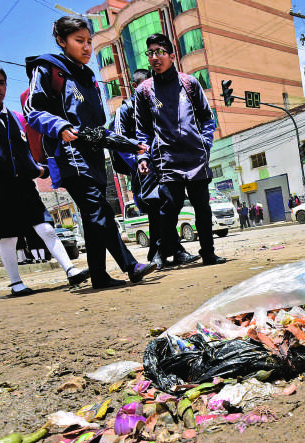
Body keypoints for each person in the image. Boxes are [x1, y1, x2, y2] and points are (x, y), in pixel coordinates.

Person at [24, 16, 155, 288]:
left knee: (93, 217)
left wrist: (131, 144)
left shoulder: (88, 77)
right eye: (79, 41)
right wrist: (59, 125)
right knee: (101, 212)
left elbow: (98, 129)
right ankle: (130, 266)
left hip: (93, 157)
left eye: (88, 41)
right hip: (69, 157)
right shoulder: (49, 68)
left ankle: (99, 276)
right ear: (62, 41)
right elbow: (33, 111)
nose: (86, 47)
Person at [0, 59, 89, 296]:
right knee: (8, 235)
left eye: (2, 82)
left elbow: (24, 155)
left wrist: (38, 169)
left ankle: (71, 270)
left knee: (46, 226)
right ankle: (15, 283)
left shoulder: (15, 117)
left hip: (23, 183)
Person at [135, 33, 226, 265]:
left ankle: (209, 254)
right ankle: (163, 252)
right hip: (167, 162)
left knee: (202, 210)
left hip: (196, 159)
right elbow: (142, 129)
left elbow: (207, 117)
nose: (155, 57)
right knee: (168, 212)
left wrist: (205, 144)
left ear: (172, 56)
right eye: (150, 53)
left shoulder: (189, 83)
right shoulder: (145, 91)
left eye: (160, 52)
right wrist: (143, 156)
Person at [113, 69, 199, 269]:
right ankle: (164, 253)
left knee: (168, 207)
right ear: (136, 86)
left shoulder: (155, 105)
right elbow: (119, 142)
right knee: (156, 209)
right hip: (143, 170)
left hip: (164, 165)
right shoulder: (124, 110)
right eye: (145, 85)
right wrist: (140, 162)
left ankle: (165, 253)